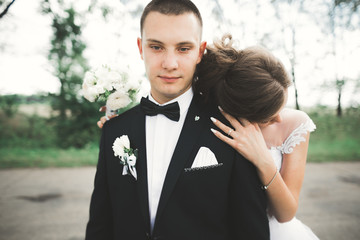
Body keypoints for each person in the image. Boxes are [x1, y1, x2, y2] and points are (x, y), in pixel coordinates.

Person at [85, 1, 269, 240]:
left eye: (183, 49)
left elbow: (251, 231)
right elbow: (101, 224)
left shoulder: (232, 129)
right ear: (141, 48)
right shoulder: (114, 130)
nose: (169, 64)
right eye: (157, 47)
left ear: (200, 52)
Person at [195, 34, 319, 240]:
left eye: (281, 106)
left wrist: (263, 159)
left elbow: (286, 214)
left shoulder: (295, 125)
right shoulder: (217, 125)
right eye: (269, 116)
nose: (279, 119)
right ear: (244, 111)